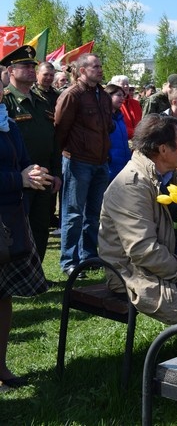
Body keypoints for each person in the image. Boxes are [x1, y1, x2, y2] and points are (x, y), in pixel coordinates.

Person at [98, 114, 177, 324]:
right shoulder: (131, 185)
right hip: (135, 275)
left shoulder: (169, 176)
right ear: (163, 149)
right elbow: (143, 252)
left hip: (167, 267)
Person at [0, 84, 51, 388]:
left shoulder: (5, 119)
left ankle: (1, 366)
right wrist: (17, 179)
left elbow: (23, 160)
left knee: (2, 297)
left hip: (8, 220)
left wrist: (32, 172)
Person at [55, 53, 113, 277]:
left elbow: (107, 125)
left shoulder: (103, 95)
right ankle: (69, 261)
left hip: (100, 162)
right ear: (81, 71)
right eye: (95, 66)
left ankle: (89, 256)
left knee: (93, 213)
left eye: (100, 66)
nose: (99, 70)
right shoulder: (73, 95)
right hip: (78, 161)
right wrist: (67, 153)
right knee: (73, 213)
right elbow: (60, 128)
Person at [2, 45, 62, 259]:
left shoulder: (42, 101)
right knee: (18, 230)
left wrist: (56, 172)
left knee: (40, 226)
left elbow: (53, 140)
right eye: (25, 66)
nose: (30, 69)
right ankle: (20, 275)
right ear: (11, 71)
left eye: (32, 66)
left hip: (43, 176)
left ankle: (37, 274)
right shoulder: (6, 101)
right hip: (19, 179)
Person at [105, 84, 132, 181]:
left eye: (123, 96)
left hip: (124, 165)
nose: (122, 99)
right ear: (108, 96)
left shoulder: (120, 117)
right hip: (110, 168)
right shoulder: (103, 118)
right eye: (119, 95)